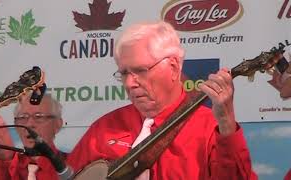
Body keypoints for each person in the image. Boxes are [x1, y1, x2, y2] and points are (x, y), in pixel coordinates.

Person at [67, 21, 257, 179]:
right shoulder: (103, 129)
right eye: (124, 73)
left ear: (173, 67)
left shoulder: (210, 129)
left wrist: (226, 123)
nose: (130, 83)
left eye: (141, 70)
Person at [0, 93, 66, 180]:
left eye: (38, 116)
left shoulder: (73, 164)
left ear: (57, 124)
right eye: (23, 117)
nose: (29, 124)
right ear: (15, 124)